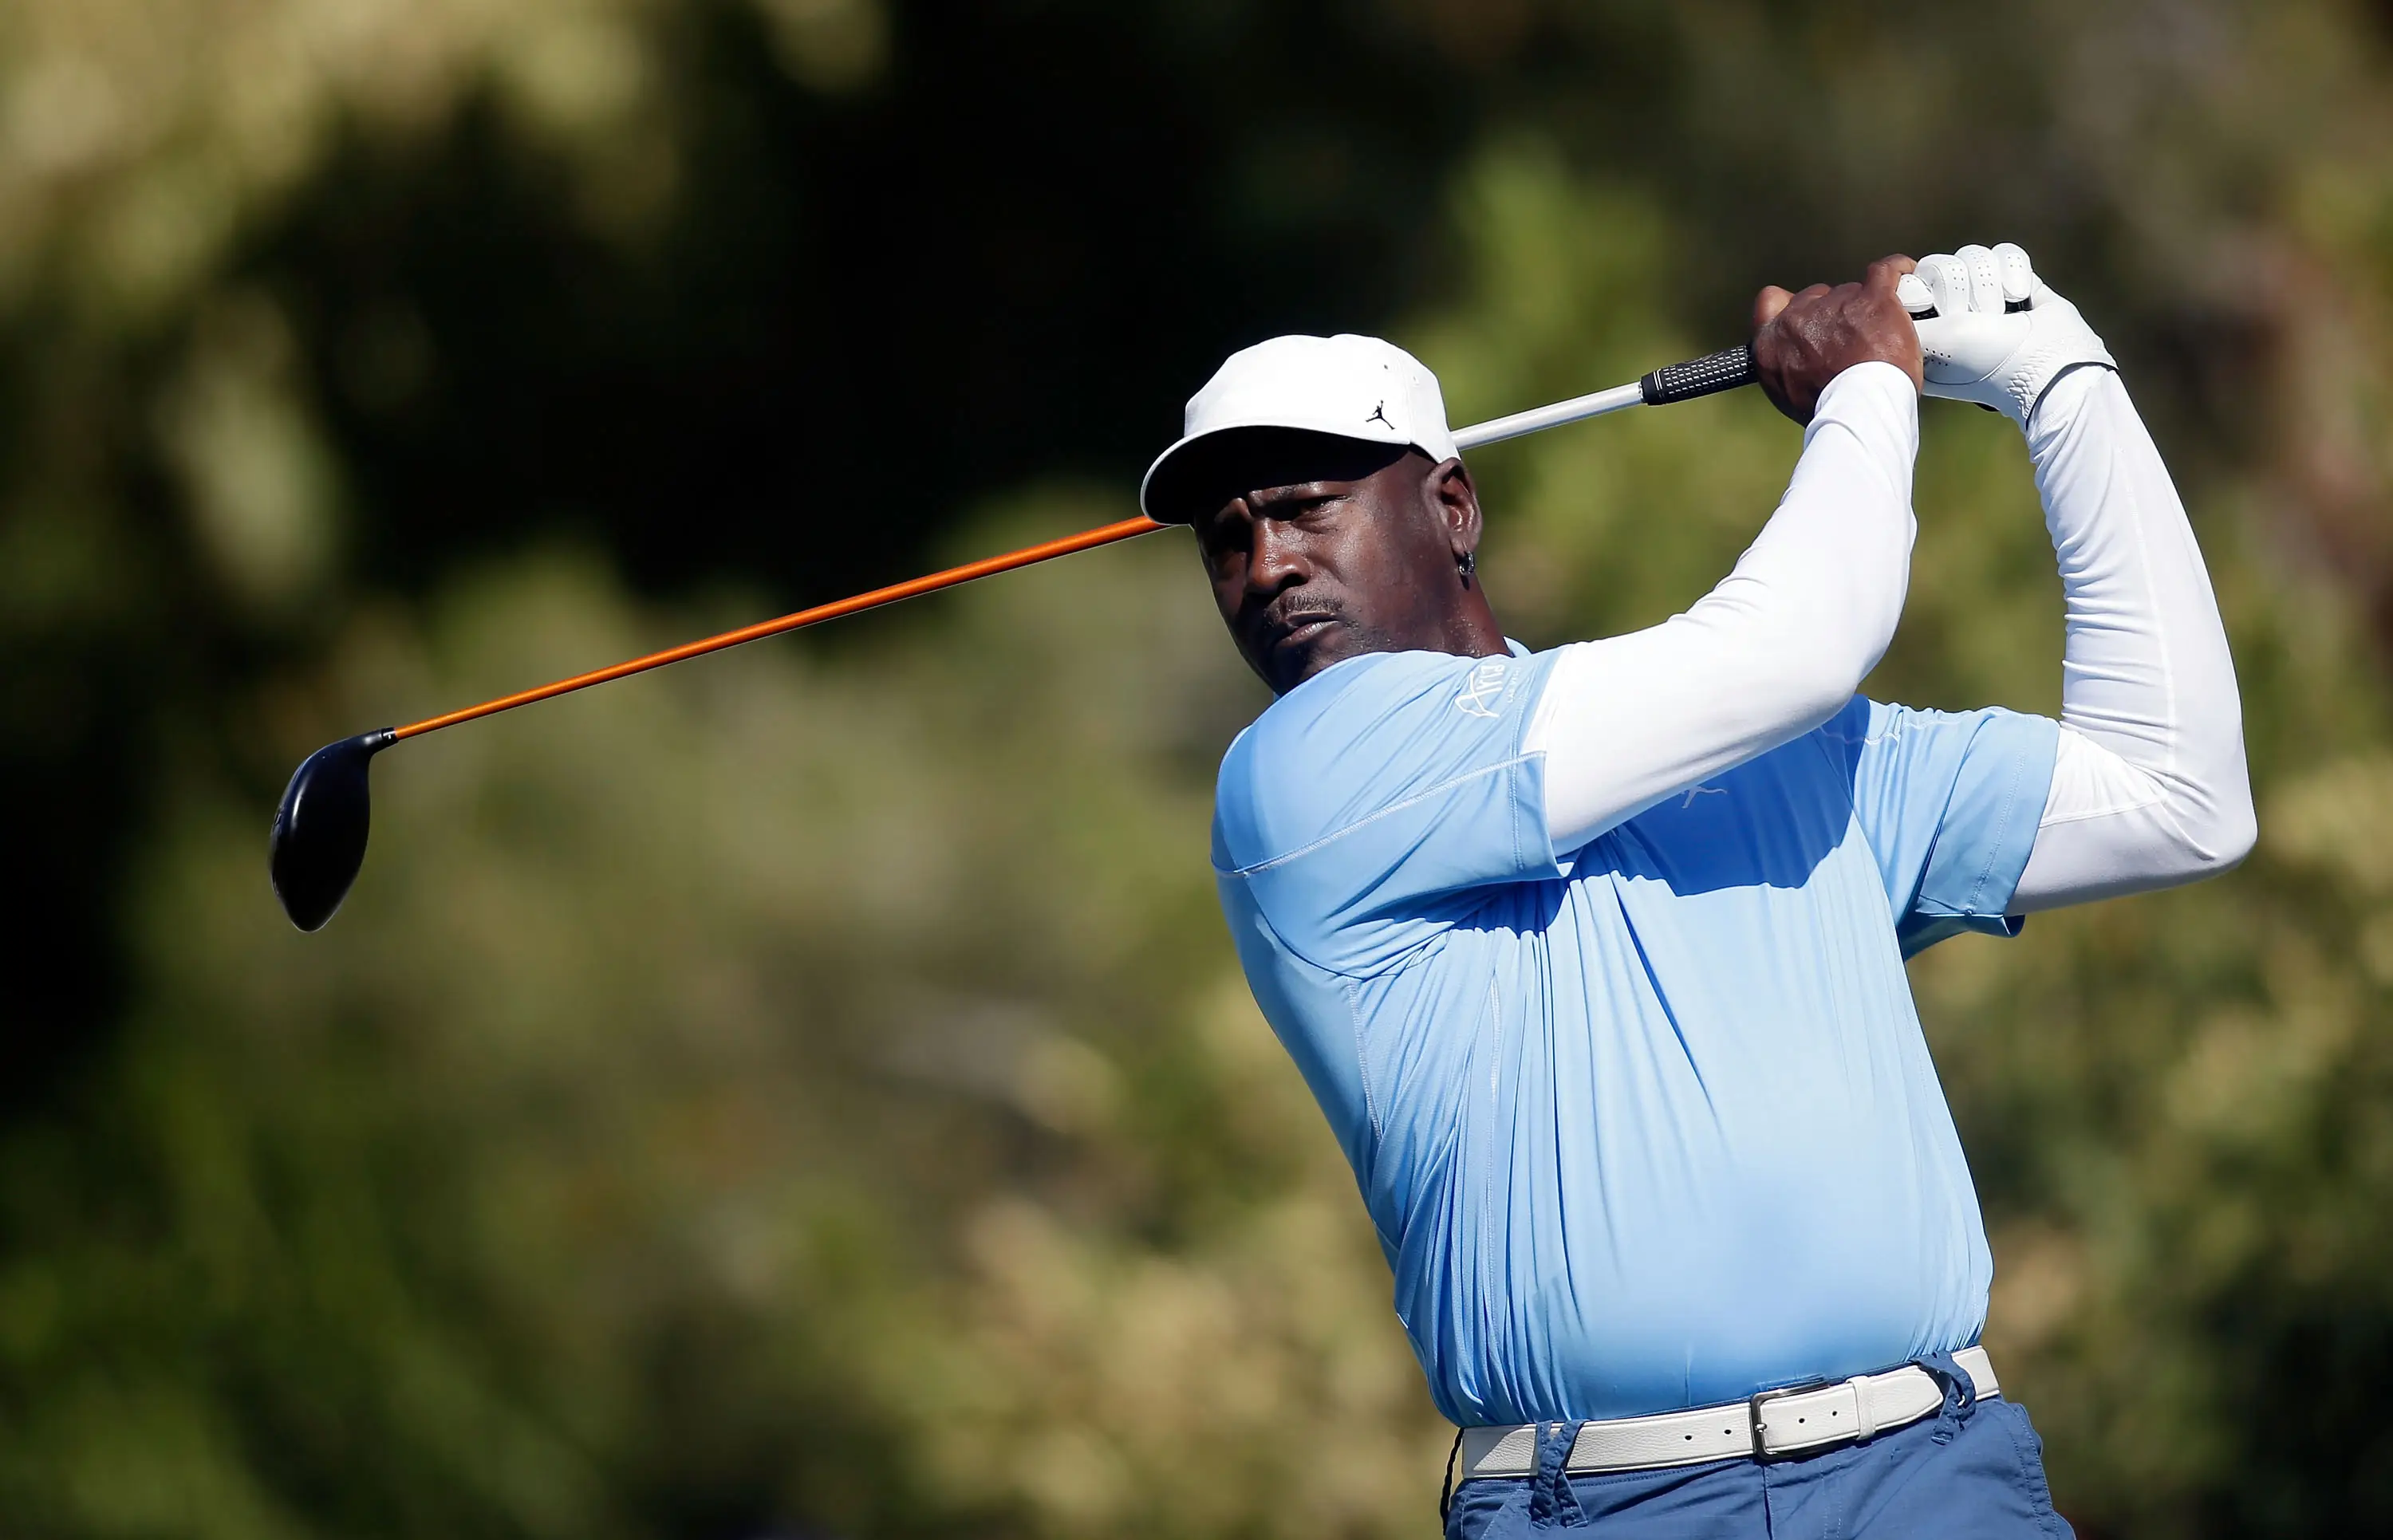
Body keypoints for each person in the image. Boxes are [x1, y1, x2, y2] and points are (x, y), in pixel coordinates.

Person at [1137, 246, 2253, 1538]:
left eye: (1305, 505)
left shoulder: (1793, 750)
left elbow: (2178, 797)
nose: (1266, 564)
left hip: (1930, 1474)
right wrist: (1864, 392)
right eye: (1227, 540)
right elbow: (1796, 645)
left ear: (1452, 506)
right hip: (1606, 1503)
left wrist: (2063, 381)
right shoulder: (1302, 779)